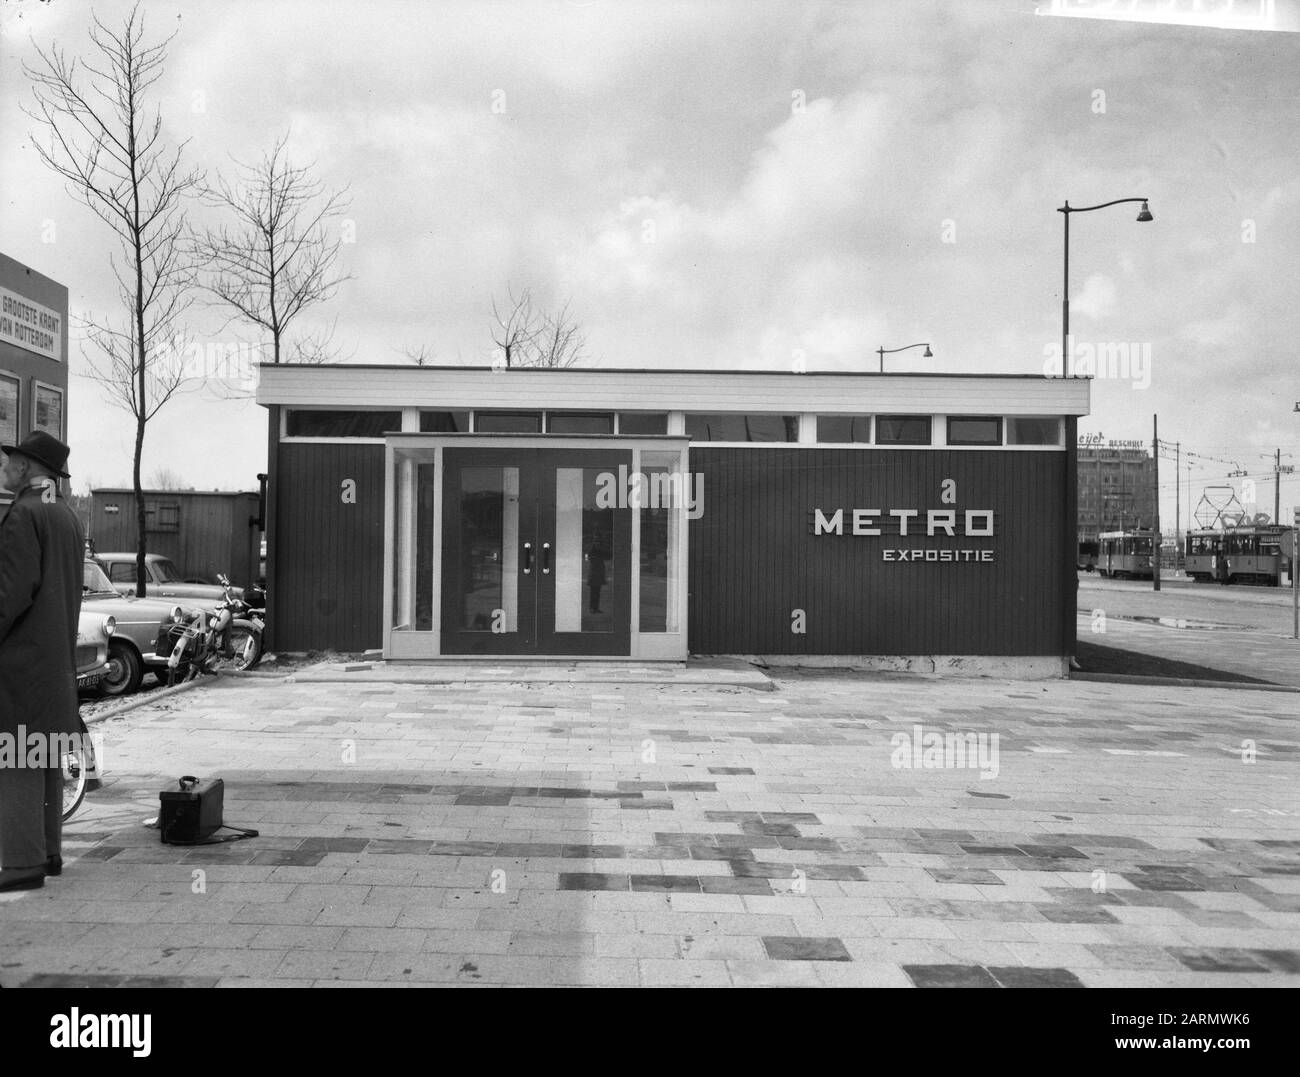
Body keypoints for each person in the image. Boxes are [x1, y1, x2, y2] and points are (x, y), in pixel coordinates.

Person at [0, 431, 83, 892]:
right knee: (44, 754)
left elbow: (10, 594)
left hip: (21, 662)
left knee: (14, 759)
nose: (4, 467)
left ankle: (20, 864)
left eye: (9, 460)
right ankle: (49, 852)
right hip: (54, 661)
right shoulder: (64, 515)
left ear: (27, 467)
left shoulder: (24, 514)